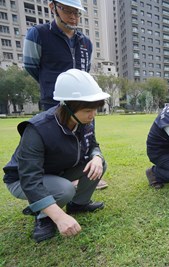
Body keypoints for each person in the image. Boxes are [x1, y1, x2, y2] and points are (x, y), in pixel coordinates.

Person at [2, 69, 110, 242]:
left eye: (96, 109)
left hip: (57, 170)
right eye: (88, 110)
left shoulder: (85, 119)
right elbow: (30, 178)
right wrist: (59, 217)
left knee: (99, 163)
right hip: (22, 179)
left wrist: (97, 156)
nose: (93, 115)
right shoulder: (38, 129)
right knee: (64, 189)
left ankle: (78, 204)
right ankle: (44, 217)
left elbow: (92, 145)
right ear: (67, 105)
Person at [23, 0, 108, 189]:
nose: (73, 17)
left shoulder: (85, 42)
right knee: (56, 144)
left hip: (84, 101)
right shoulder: (38, 33)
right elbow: (31, 66)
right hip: (55, 101)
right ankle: (56, 184)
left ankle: (84, 179)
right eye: (68, 11)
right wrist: (53, 88)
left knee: (85, 140)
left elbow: (85, 71)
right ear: (53, 7)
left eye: (77, 13)